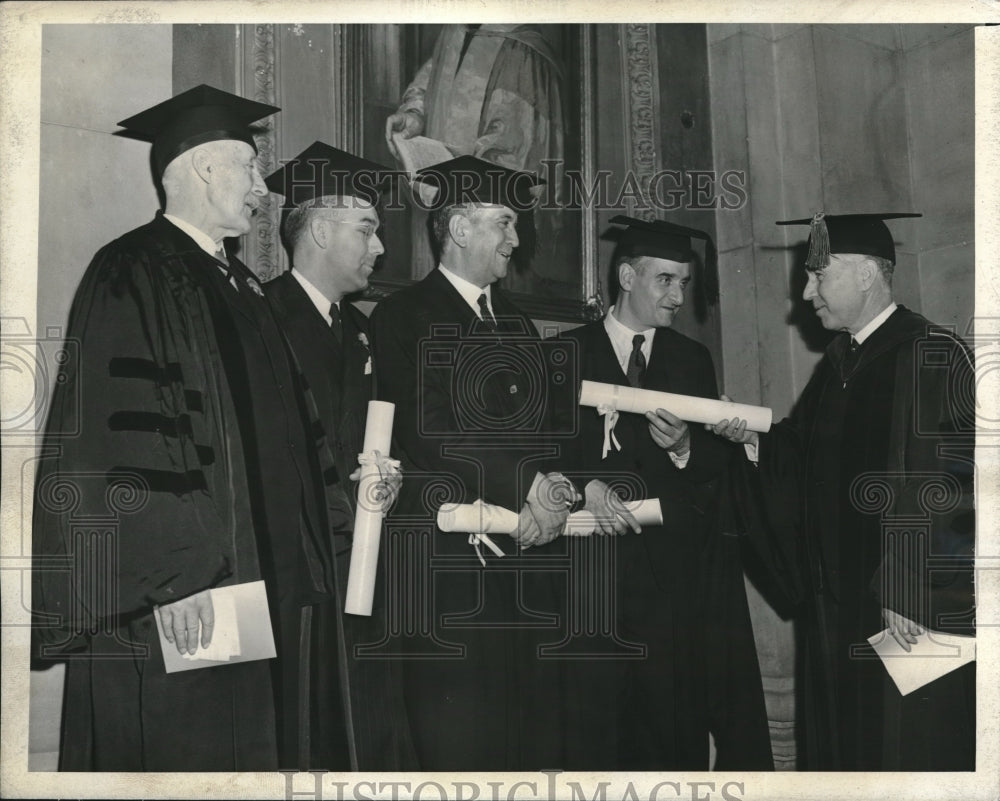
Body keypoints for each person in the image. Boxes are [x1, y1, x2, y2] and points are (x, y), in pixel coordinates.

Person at [31, 86, 352, 771]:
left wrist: (325, 534)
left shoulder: (243, 288)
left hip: (260, 583)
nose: (262, 192)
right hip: (187, 595)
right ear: (205, 168)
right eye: (249, 168)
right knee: (192, 750)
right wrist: (175, 581)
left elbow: (294, 435)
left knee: (248, 747)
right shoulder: (133, 270)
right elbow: (118, 442)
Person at [369, 155, 632, 770]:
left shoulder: (515, 321)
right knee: (461, 745)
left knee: (531, 741)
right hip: (454, 569)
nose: (517, 240)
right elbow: (431, 429)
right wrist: (529, 485)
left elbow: (547, 431)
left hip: (530, 564)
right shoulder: (403, 317)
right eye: (505, 224)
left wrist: (573, 485)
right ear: (459, 229)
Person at [711, 212, 976, 770]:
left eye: (817, 274)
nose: (806, 293)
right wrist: (752, 440)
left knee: (905, 753)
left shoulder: (933, 353)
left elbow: (958, 479)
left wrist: (913, 583)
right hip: (837, 610)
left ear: (864, 276)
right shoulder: (838, 366)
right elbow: (799, 458)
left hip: (901, 611)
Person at [557, 216, 772, 770]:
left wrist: (683, 449)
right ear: (627, 276)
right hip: (592, 576)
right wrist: (585, 486)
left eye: (684, 283)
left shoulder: (690, 359)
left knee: (670, 733)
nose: (678, 295)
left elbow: (711, 468)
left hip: (670, 582)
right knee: (595, 735)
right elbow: (543, 452)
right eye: (665, 280)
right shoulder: (564, 353)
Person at [263, 141, 416, 770]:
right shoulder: (260, 317)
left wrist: (392, 473)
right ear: (320, 231)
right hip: (295, 578)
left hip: (362, 569)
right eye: (367, 230)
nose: (379, 249)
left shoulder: (359, 330)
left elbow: (385, 433)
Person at [384, 24, 567, 289]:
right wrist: (414, 115)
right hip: (442, 203)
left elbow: (509, 154)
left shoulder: (521, 46)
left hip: (480, 214)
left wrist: (448, 178)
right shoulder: (456, 30)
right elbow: (433, 78)